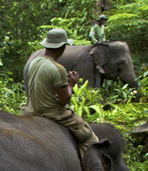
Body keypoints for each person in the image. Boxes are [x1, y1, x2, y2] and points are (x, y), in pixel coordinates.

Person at [21, 28, 99, 157]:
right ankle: (88, 165)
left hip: (30, 109)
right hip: (52, 113)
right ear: (63, 47)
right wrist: (71, 84)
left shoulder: (34, 62)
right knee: (89, 139)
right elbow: (64, 100)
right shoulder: (58, 68)